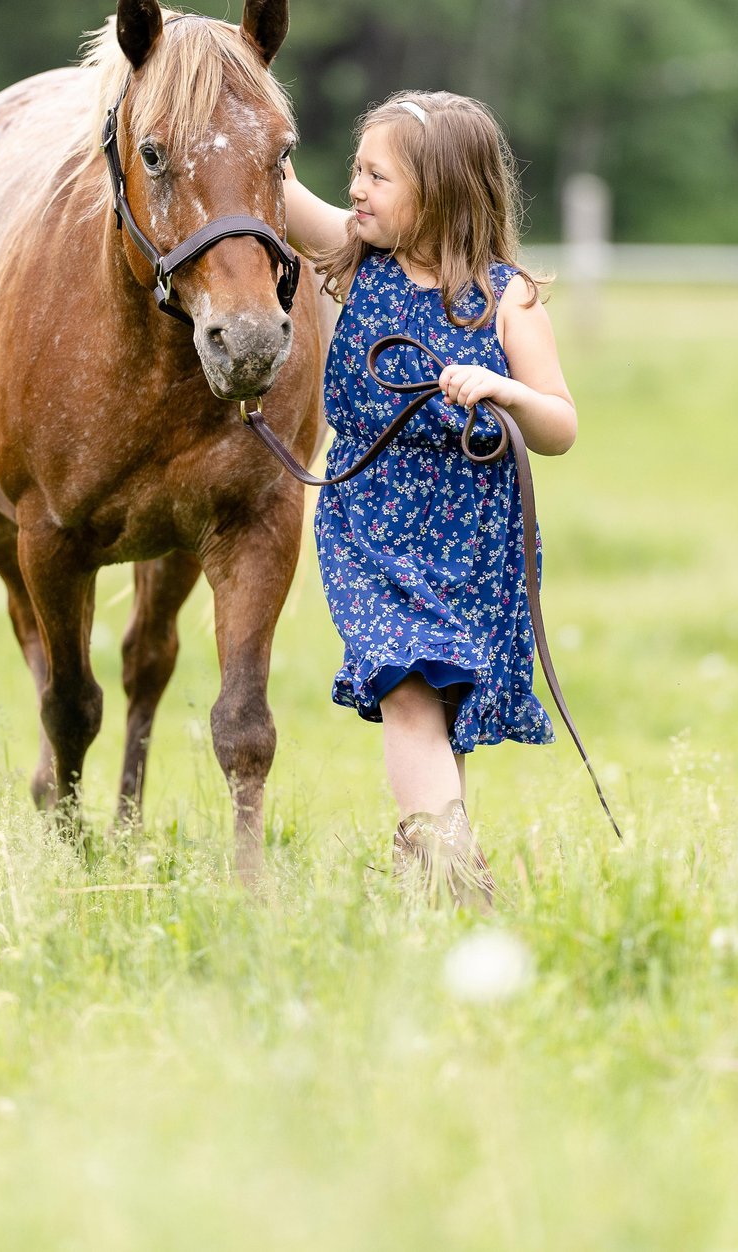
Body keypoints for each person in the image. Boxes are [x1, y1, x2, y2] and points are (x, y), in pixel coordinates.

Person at [280, 90, 579, 906]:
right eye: (356, 170)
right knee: (405, 687)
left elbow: (560, 425)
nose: (355, 189)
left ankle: (435, 875)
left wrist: (502, 390)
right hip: (368, 522)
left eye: (377, 175)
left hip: (471, 533)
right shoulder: (354, 257)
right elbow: (275, 188)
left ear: (439, 192)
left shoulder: (506, 297)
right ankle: (457, 880)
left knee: (434, 707)